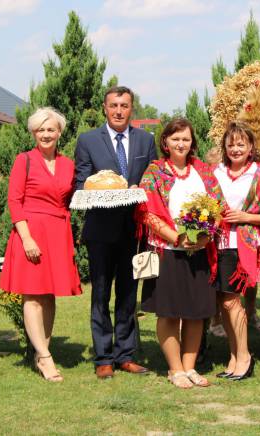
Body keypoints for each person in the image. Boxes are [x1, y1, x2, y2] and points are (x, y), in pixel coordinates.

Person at [75, 86, 157, 379]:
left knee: (127, 295)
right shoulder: (87, 141)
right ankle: (103, 358)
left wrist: (142, 190)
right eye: (113, 106)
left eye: (124, 105)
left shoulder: (146, 141)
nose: (119, 111)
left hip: (134, 230)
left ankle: (125, 354)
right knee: (100, 294)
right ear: (104, 108)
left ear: (131, 108)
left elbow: (153, 179)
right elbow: (80, 182)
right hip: (100, 230)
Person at [136, 118, 225, 388]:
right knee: (169, 313)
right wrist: (178, 236)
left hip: (200, 252)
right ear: (165, 142)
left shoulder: (204, 171)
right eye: (175, 139)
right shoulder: (154, 172)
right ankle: (175, 369)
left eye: (185, 139)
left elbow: (219, 205)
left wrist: (207, 234)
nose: (180, 144)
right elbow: (147, 213)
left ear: (192, 142)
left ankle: (190, 367)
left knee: (197, 313)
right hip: (168, 251)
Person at [0, 107, 82, 382]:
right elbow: (14, 201)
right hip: (30, 232)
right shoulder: (24, 161)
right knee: (33, 295)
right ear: (33, 132)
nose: (46, 134)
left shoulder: (69, 164)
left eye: (51, 129)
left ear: (59, 132)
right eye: (40, 130)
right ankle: (45, 357)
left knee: (49, 294)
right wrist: (26, 238)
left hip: (58, 232)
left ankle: (41, 351)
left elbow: (76, 198)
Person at [213, 121, 260, 381]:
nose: (236, 149)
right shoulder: (215, 172)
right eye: (231, 144)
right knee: (222, 302)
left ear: (251, 147)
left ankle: (245, 356)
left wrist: (245, 216)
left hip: (242, 244)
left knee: (231, 300)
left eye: (241, 144)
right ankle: (233, 355)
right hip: (216, 242)